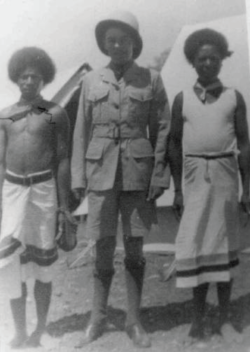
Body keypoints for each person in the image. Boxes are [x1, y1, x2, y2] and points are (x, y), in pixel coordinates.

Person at [71, 10, 170, 348]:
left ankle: (133, 319)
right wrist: (76, 176)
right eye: (111, 40)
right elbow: (81, 130)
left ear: (134, 43)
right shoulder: (90, 80)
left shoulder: (150, 78)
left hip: (137, 175)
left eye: (124, 40)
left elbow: (162, 129)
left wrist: (159, 173)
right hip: (100, 174)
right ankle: (97, 318)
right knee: (100, 244)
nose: (117, 45)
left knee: (134, 246)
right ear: (105, 43)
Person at [168, 28, 250, 344]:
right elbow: (174, 144)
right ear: (193, 61)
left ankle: (225, 319)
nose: (207, 63)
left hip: (226, 176)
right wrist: (177, 190)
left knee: (224, 245)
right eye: (201, 58)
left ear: (221, 61)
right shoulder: (182, 99)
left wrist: (247, 188)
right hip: (193, 178)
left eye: (213, 58)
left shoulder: (234, 97)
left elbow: (244, 143)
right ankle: (197, 320)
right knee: (197, 247)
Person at [0, 47, 71, 348]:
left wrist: (65, 206)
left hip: (44, 191)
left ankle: (39, 330)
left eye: (36, 76)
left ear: (45, 80)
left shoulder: (54, 112)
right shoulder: (4, 115)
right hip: (13, 190)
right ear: (17, 78)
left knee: (43, 264)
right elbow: (1, 162)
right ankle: (19, 331)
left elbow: (64, 158)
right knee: (10, 263)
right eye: (24, 76)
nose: (29, 81)